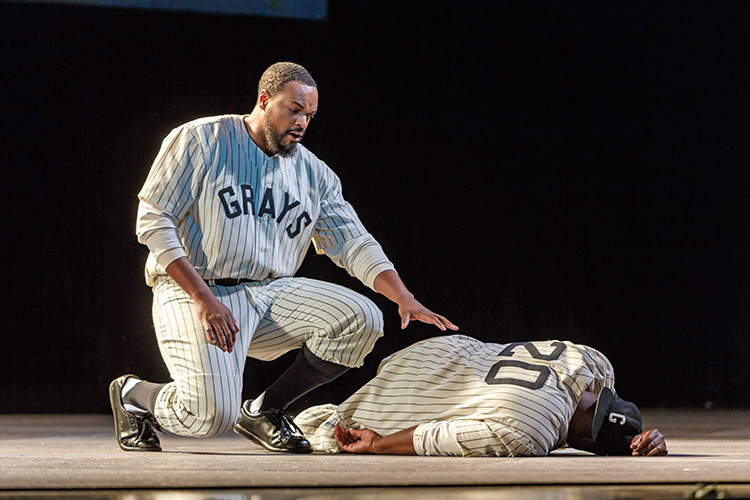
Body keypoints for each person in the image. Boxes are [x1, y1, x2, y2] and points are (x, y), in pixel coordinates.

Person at [109, 62, 457, 454]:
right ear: (264, 100)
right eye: (294, 109)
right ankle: (133, 395)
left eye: (310, 115)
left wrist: (403, 297)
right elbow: (153, 221)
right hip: (193, 291)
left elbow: (354, 242)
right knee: (207, 416)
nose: (303, 122)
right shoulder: (200, 139)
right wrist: (203, 297)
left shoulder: (316, 174)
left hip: (268, 294)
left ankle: (265, 409)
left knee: (362, 319)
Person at [294, 334, 668, 457]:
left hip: (436, 352)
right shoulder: (532, 434)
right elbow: (434, 437)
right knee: (323, 429)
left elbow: (603, 394)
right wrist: (377, 444)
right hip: (407, 393)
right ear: (583, 443)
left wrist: (636, 434)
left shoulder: (590, 361)